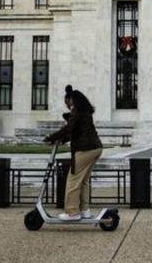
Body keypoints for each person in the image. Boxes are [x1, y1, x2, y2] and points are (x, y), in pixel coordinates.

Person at [44, 85, 104, 221]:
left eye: (66, 101)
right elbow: (76, 132)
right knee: (83, 181)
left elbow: (68, 128)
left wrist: (51, 137)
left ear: (70, 99)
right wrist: (62, 139)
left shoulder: (77, 111)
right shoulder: (85, 112)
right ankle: (84, 210)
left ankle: (72, 212)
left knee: (73, 180)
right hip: (95, 148)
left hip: (85, 149)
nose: (66, 104)